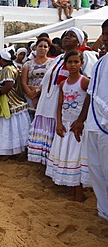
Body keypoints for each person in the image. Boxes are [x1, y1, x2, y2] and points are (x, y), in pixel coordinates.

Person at [28, 27, 96, 165]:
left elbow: (88, 84)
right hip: (48, 102)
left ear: (79, 42)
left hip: (70, 106)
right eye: (65, 35)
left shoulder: (86, 56)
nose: (66, 37)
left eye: (72, 36)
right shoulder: (59, 58)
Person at [70, 19, 108, 221]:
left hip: (106, 126)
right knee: (96, 169)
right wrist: (81, 120)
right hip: (94, 124)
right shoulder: (101, 62)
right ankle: (104, 211)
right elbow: (91, 94)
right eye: (104, 34)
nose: (105, 38)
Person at [46, 50, 90, 202]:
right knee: (66, 157)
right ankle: (71, 191)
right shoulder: (63, 84)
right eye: (70, 62)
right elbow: (59, 105)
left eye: (76, 62)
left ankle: (79, 193)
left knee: (76, 158)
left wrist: (81, 121)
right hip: (65, 125)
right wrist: (58, 123)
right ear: (65, 64)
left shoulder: (85, 82)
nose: (72, 65)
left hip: (77, 127)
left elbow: (88, 101)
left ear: (81, 63)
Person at [0, 46, 31, 161]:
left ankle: (6, 152)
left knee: (5, 129)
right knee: (14, 130)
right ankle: (14, 152)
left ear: (1, 59)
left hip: (10, 103)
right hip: (14, 103)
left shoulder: (7, 69)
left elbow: (8, 85)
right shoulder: (11, 67)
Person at [21, 38, 54, 110]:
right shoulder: (28, 64)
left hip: (46, 95)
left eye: (45, 46)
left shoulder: (53, 63)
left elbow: (52, 79)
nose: (42, 48)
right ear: (35, 47)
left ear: (48, 48)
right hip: (30, 96)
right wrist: (32, 96)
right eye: (40, 46)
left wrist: (38, 92)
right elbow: (23, 83)